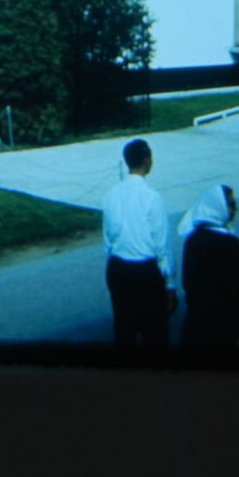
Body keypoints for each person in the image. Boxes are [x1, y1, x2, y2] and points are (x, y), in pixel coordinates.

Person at [102, 138, 176, 351]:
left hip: (117, 269)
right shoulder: (152, 197)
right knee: (155, 333)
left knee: (124, 332)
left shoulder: (110, 196)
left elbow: (108, 240)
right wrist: (170, 284)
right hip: (144, 272)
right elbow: (162, 244)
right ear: (146, 159)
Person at [178, 185, 239, 352]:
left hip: (196, 321)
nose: (235, 208)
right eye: (231, 204)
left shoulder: (192, 240)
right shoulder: (232, 244)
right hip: (224, 325)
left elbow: (187, 282)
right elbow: (236, 290)